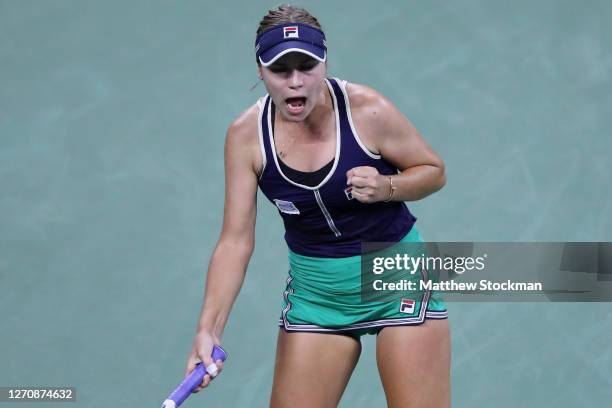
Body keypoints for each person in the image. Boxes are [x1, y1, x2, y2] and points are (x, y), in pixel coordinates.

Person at [185, 5, 450, 407]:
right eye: (280, 70)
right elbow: (235, 242)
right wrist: (208, 330)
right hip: (317, 298)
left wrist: (387, 186)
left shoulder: (367, 110)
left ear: (324, 62)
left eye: (307, 67)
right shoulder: (245, 138)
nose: (295, 83)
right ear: (260, 70)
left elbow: (433, 171)